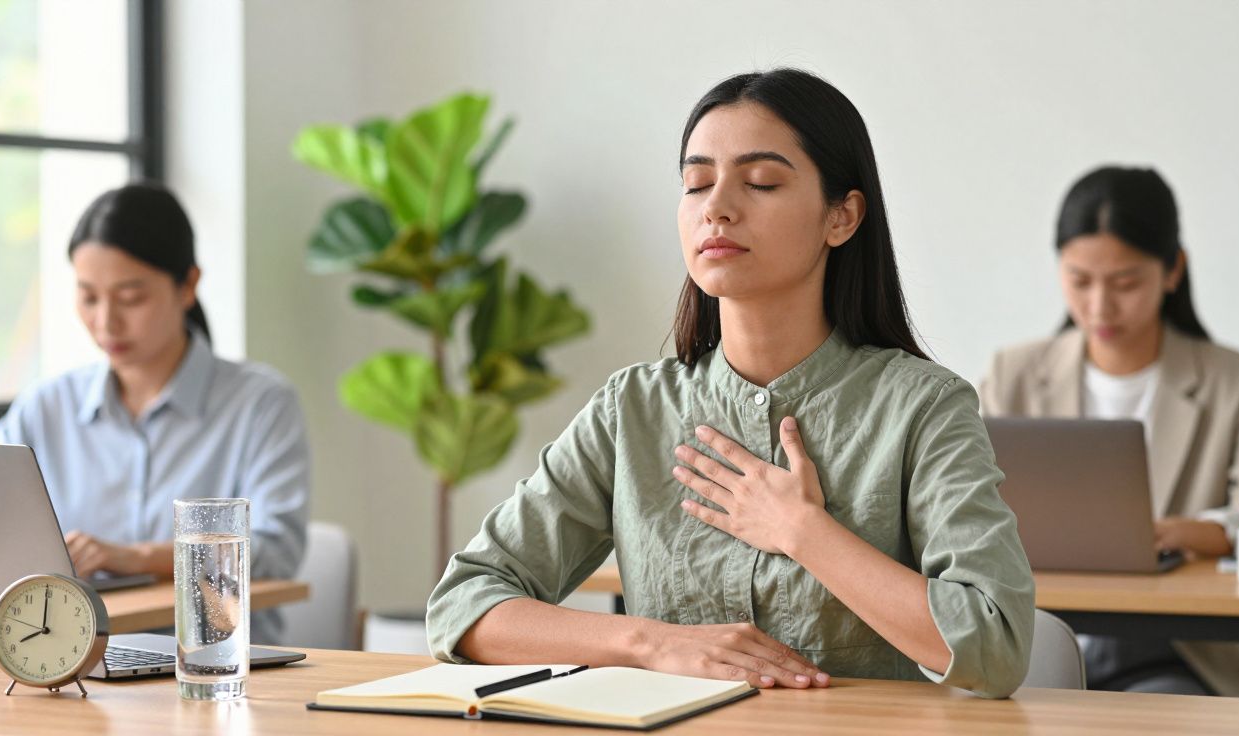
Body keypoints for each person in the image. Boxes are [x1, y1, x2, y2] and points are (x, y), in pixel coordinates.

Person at [427, 69, 1034, 698]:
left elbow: (997, 646)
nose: (716, 205)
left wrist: (802, 531)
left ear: (842, 216)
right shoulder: (629, 409)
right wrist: (650, 643)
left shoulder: (925, 407)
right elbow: (463, 605)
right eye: (696, 184)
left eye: (761, 181)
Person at [0, 182, 310, 644]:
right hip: (70, 663)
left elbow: (275, 551)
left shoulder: (261, 404)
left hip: (220, 670)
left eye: (131, 298)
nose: (106, 322)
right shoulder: (43, 408)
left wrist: (135, 557)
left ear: (188, 286)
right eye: (89, 297)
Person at [980, 166, 1239, 697]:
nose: (1100, 306)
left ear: (1172, 271)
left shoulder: (1236, 383)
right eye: (1080, 281)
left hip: (1179, 650)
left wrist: (1188, 532)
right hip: (1031, 640)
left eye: (1125, 283)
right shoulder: (1013, 375)